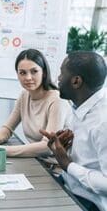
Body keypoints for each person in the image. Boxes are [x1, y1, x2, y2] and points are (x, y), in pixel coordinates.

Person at [40, 51, 107, 211]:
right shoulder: (80, 104)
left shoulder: (103, 122)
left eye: (62, 74)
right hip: (67, 186)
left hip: (89, 203)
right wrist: (62, 149)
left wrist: (68, 164)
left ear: (76, 81)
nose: (58, 79)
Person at [0, 49, 70, 157]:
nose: (28, 78)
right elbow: (7, 129)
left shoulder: (57, 100)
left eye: (34, 71)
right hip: (37, 161)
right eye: (22, 73)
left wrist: (0, 150)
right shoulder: (24, 96)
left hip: (56, 166)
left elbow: (47, 147)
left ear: (44, 73)